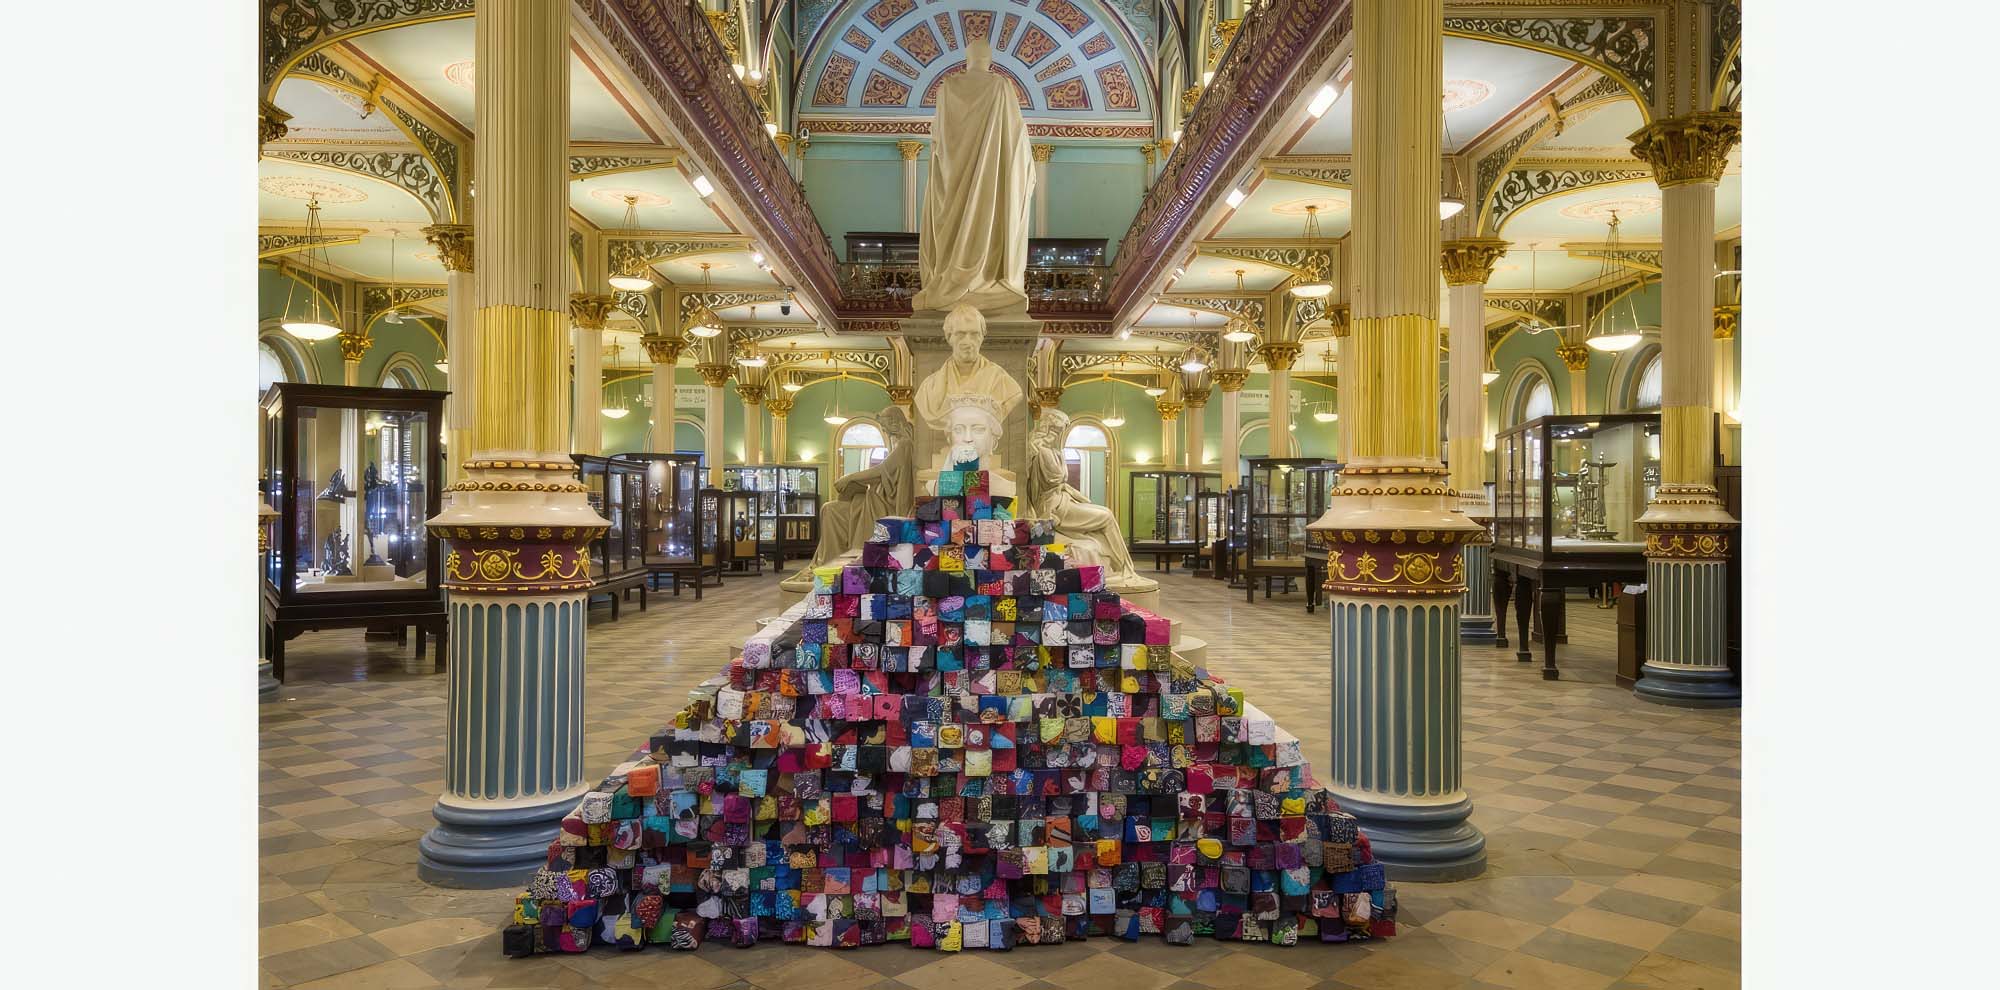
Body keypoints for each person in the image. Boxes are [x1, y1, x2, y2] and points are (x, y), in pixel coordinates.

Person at [910, 38, 1034, 315]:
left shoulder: (947, 88)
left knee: (950, 227)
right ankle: (986, 277)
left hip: (951, 175)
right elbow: (1014, 141)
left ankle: (950, 278)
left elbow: (938, 140)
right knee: (988, 216)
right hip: (991, 177)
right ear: (988, 59)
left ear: (967, 59)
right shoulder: (1001, 86)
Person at [1026, 408, 1141, 584]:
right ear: (1047, 429)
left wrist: (1079, 497)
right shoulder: (1042, 452)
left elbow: (1061, 482)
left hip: (1065, 499)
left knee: (1104, 513)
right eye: (1055, 430)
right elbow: (1054, 480)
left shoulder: (1055, 452)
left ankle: (1123, 567)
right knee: (1107, 516)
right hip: (1055, 507)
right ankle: (1124, 567)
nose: (1058, 435)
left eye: (1060, 431)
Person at [807, 407, 914, 568]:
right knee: (829, 509)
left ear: (894, 423)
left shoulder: (905, 445)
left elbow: (881, 471)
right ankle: (829, 561)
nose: (885, 431)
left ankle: (832, 562)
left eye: (885, 427)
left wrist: (850, 478)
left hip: (884, 506)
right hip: (877, 500)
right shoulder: (900, 444)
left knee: (830, 510)